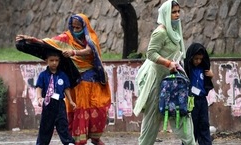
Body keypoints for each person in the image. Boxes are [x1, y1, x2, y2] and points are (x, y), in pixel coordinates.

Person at [15, 13, 111, 145]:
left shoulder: (91, 37)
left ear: (85, 26)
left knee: (95, 115)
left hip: (92, 82)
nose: (76, 30)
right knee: (77, 113)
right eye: (74, 27)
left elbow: (90, 50)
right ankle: (77, 140)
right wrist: (33, 40)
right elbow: (50, 43)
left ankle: (93, 138)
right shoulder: (67, 38)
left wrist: (74, 52)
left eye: (78, 28)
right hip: (76, 83)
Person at [133, 0, 196, 145]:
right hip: (157, 81)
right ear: (166, 13)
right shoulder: (160, 32)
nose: (177, 14)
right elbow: (151, 53)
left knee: (182, 114)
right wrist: (168, 63)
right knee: (152, 121)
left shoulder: (174, 31)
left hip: (173, 81)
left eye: (178, 11)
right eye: (173, 12)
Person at [35, 51, 76, 145]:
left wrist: (71, 101)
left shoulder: (63, 75)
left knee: (63, 124)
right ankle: (41, 143)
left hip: (60, 104)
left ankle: (68, 142)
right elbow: (39, 87)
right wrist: (39, 98)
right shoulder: (43, 75)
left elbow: (66, 89)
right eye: (51, 60)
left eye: (56, 60)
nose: (54, 63)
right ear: (46, 61)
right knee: (45, 126)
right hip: (48, 103)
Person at [184, 42, 214, 145]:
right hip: (191, 100)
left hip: (202, 100)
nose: (198, 61)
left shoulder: (203, 68)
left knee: (204, 125)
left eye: (200, 59)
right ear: (191, 57)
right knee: (191, 127)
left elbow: (207, 82)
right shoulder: (188, 69)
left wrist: (211, 75)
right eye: (196, 59)